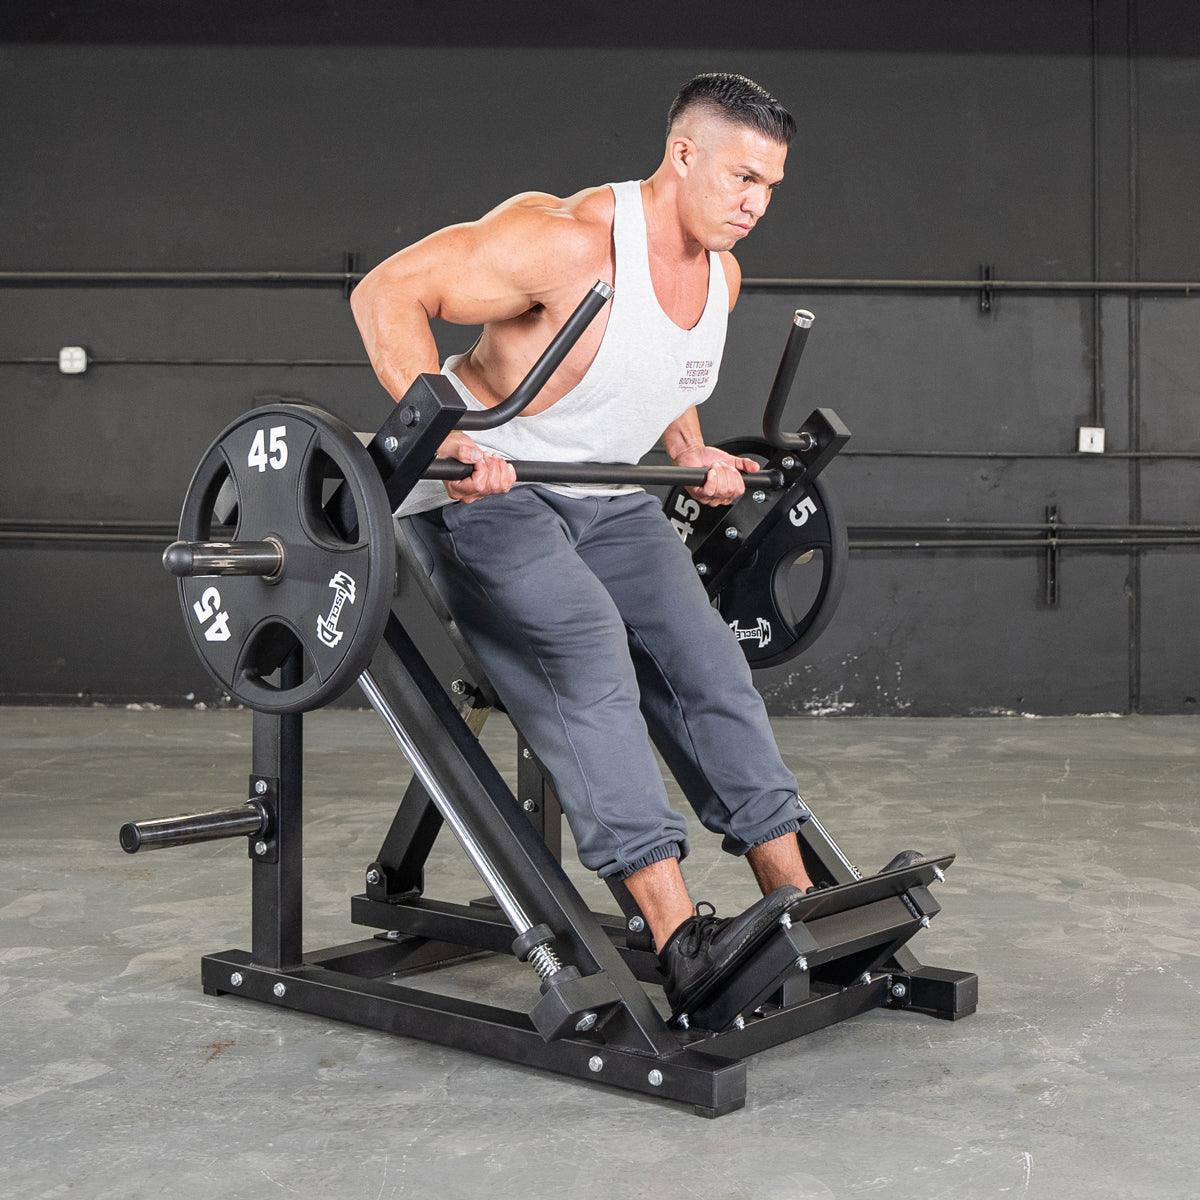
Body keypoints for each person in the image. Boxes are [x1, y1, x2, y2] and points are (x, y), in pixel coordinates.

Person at [351, 72, 821, 1015]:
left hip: (613, 495)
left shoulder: (720, 271)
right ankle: (678, 936)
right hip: (489, 495)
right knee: (589, 657)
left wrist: (691, 450)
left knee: (707, 662)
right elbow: (385, 293)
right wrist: (447, 438)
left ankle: (802, 901)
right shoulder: (566, 239)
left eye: (769, 186)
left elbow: (661, 366)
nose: (754, 204)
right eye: (740, 178)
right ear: (683, 154)